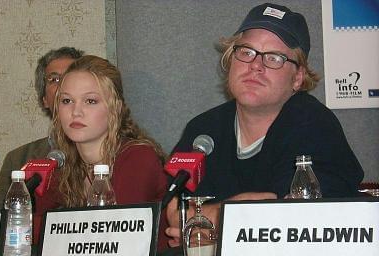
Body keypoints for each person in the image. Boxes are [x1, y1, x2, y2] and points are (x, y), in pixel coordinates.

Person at [165, 3, 364, 248]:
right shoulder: (203, 129)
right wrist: (234, 214)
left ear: (298, 78)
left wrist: (213, 219)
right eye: (246, 52)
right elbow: (176, 214)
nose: (255, 65)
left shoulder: (312, 122)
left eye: (274, 58)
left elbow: (299, 215)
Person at [33, 55, 169, 251]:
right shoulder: (61, 164)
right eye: (66, 100)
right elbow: (32, 231)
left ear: (116, 108)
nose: (76, 111)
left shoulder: (139, 157)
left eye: (90, 101)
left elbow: (112, 234)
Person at [0, 47, 84, 207]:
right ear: (44, 99)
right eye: (54, 80)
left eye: (71, 77)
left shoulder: (109, 152)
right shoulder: (17, 159)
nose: (64, 86)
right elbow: (3, 221)